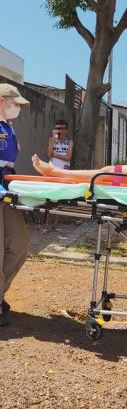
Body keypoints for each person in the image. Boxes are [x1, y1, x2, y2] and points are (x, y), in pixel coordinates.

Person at [0, 83, 30, 327]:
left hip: (5, 190)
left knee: (19, 244)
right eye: (14, 103)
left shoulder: (9, 128)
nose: (17, 108)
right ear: (1, 100)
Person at [44, 120, 74, 231]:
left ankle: (55, 224)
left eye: (62, 128)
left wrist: (55, 154)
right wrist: (53, 141)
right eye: (57, 128)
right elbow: (48, 154)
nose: (59, 131)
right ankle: (46, 224)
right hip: (52, 170)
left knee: (59, 197)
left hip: (63, 171)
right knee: (50, 196)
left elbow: (68, 157)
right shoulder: (52, 140)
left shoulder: (70, 142)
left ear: (66, 130)